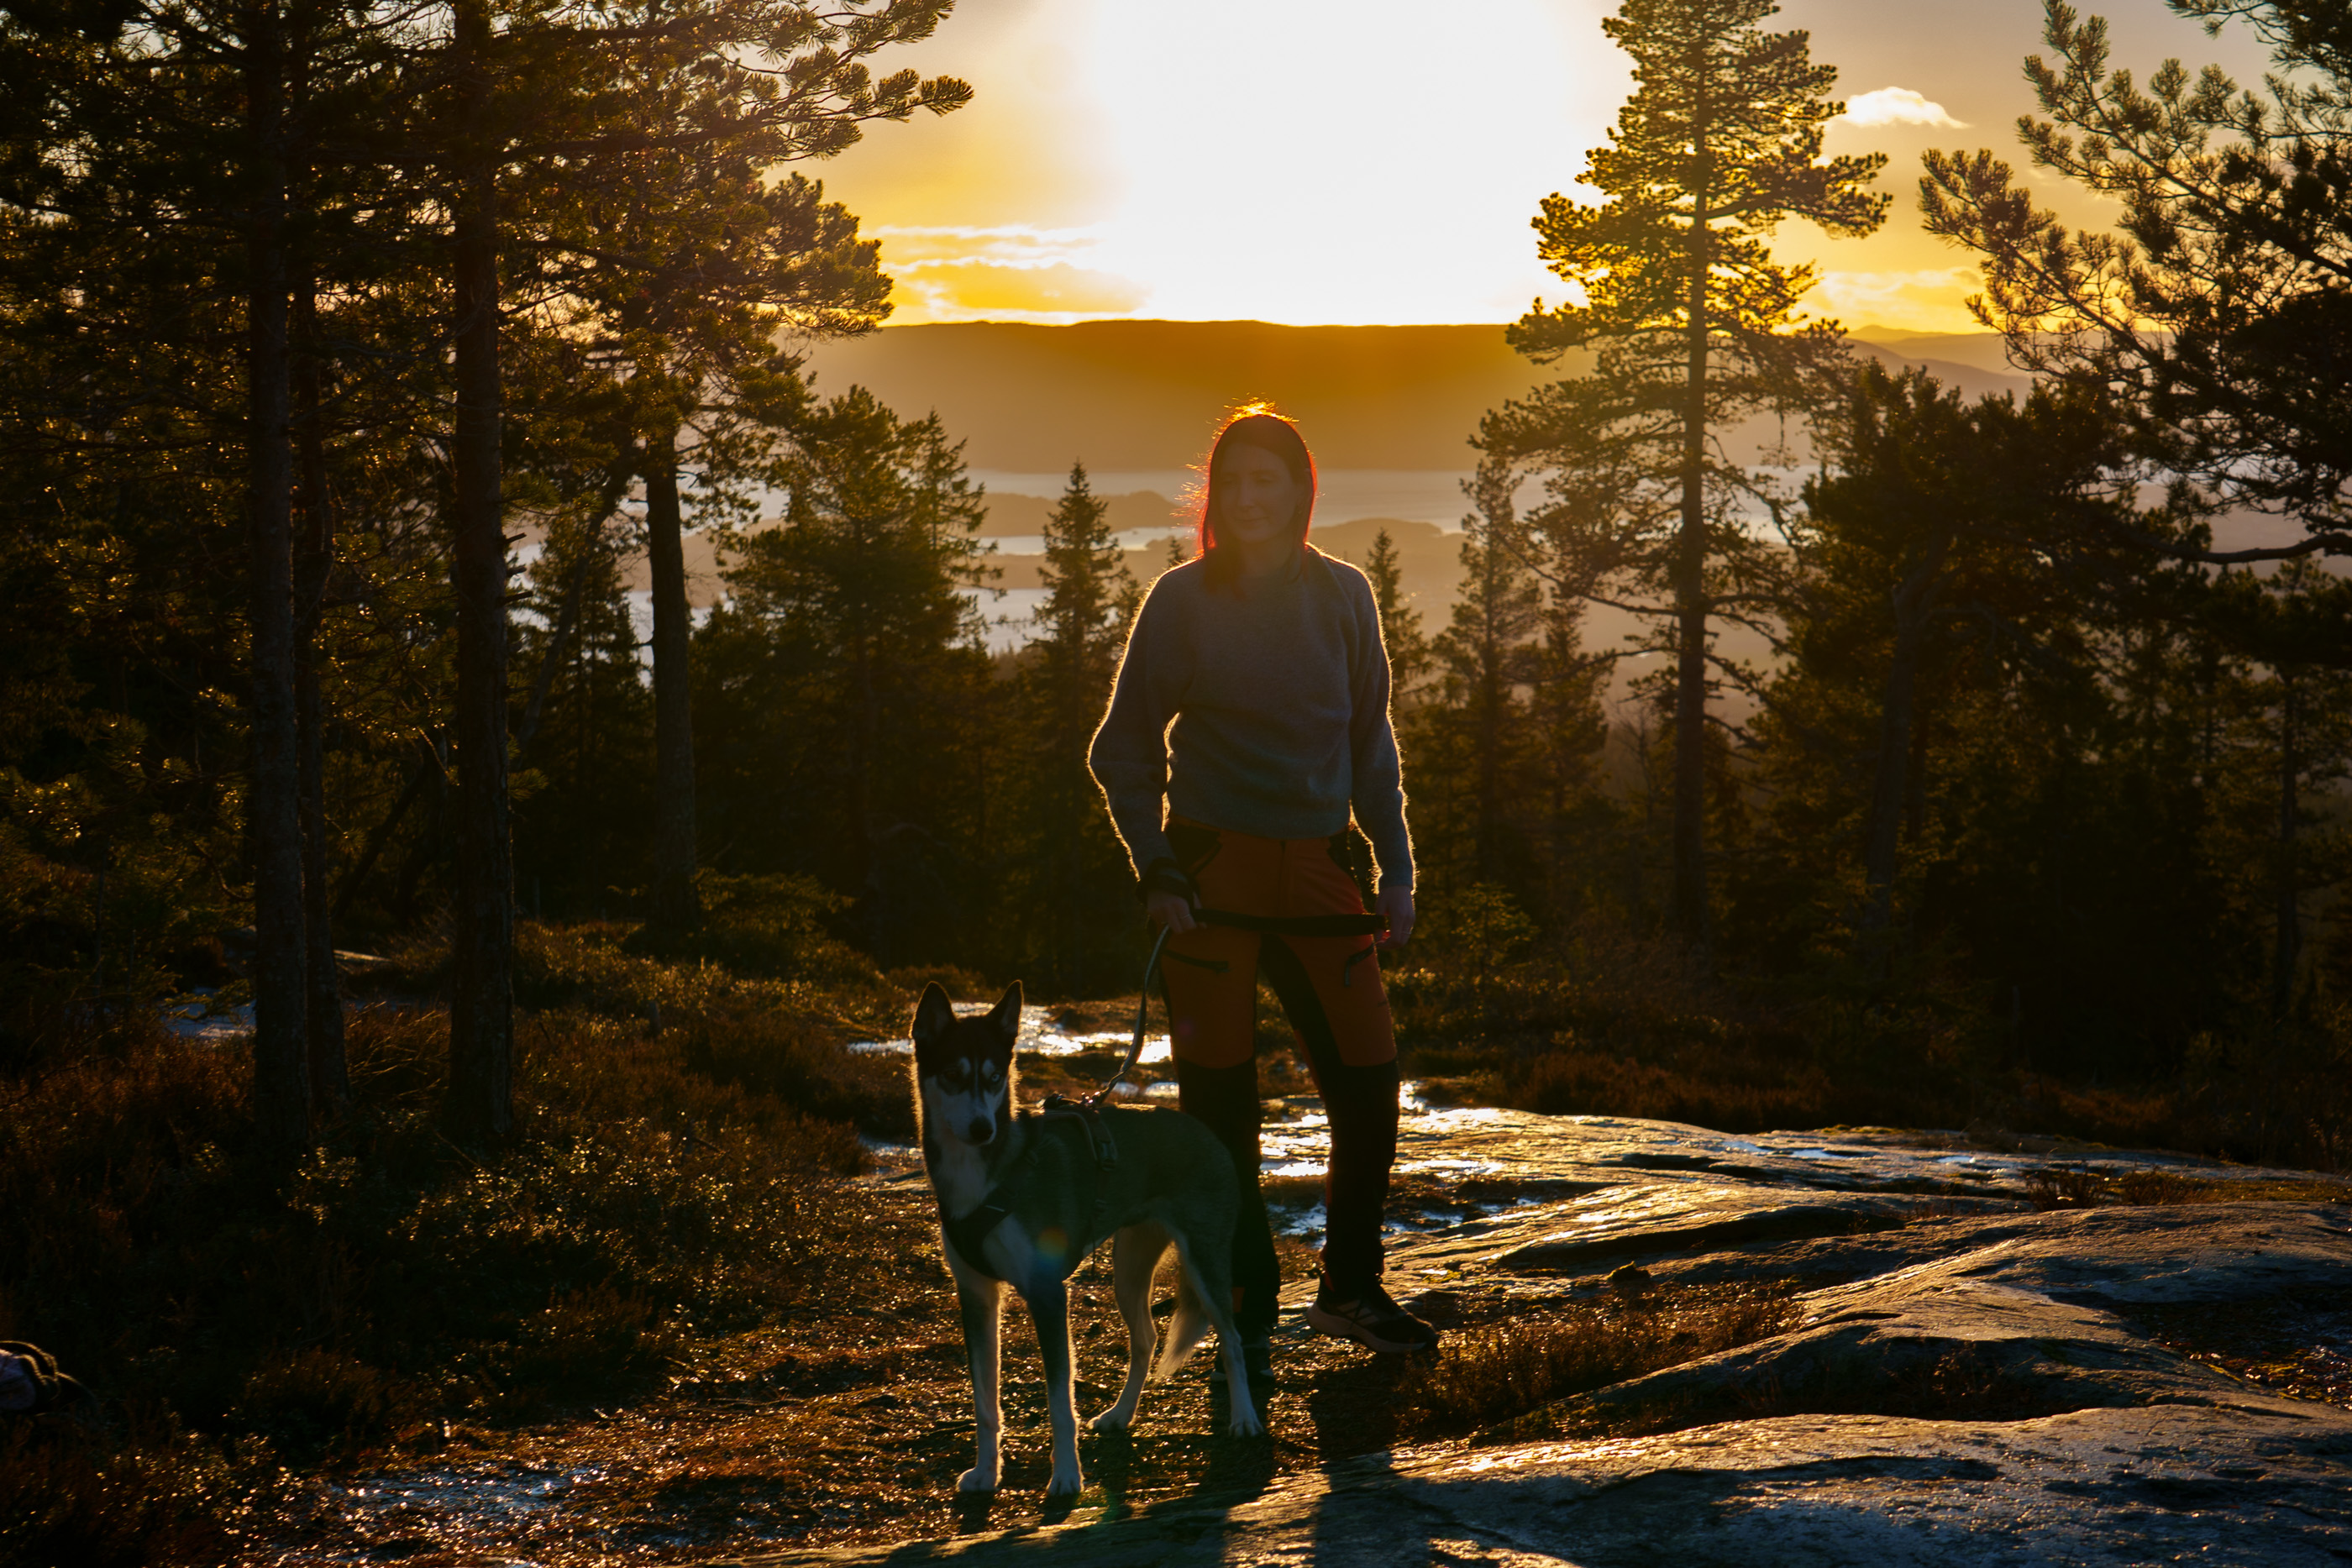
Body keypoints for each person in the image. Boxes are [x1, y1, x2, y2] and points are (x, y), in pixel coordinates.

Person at [1089, 406, 1437, 1379]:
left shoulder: (1343, 596)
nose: (1247, 498)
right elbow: (1122, 749)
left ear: (1298, 491)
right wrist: (1155, 865)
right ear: (1215, 495)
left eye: (1266, 481)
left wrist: (1396, 869)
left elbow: (1370, 746)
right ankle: (1241, 1297)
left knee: (1369, 1088)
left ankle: (1349, 1290)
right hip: (1211, 879)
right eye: (1232, 481)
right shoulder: (1181, 601)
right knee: (1221, 1113)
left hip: (1322, 870)